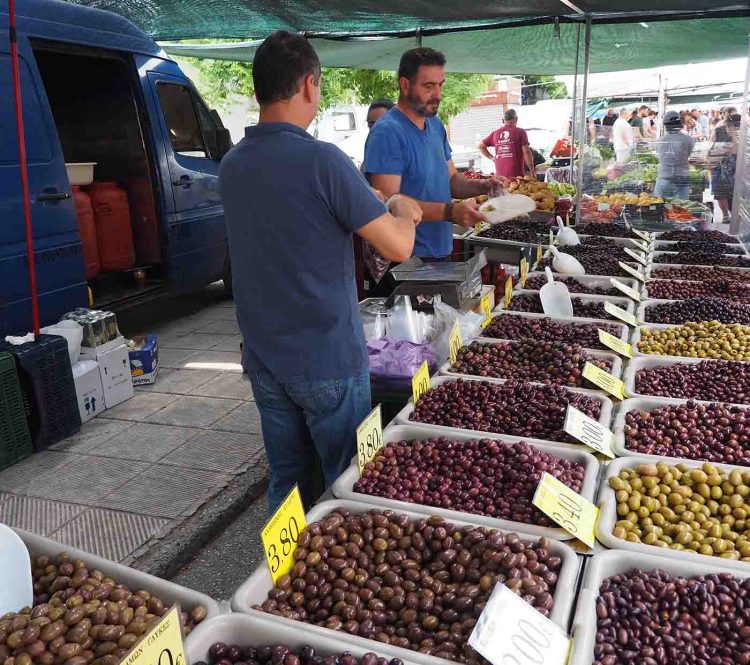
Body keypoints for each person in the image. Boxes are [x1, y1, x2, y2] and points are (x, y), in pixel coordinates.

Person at [219, 31, 422, 512]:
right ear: (310, 85)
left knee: (286, 479)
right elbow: (396, 246)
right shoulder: (323, 160)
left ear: (259, 89)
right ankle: (334, 579)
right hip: (326, 358)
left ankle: (280, 581)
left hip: (265, 360)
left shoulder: (231, 165)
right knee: (344, 481)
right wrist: (404, 208)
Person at [363, 47, 504, 260]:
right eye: (428, 86)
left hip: (440, 250)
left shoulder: (436, 125)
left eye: (440, 85)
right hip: (407, 260)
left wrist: (483, 185)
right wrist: (450, 212)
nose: (437, 94)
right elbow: (388, 203)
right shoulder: (387, 132)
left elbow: (452, 181)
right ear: (404, 85)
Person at [477, 109, 536, 180]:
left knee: (503, 190)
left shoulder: (495, 133)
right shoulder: (520, 132)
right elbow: (526, 151)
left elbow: (480, 146)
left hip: (500, 176)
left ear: (503, 120)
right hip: (516, 175)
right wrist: (532, 171)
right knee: (517, 190)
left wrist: (492, 158)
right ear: (516, 119)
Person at [653, 110, 695, 200]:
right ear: (680, 123)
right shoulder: (688, 139)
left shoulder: (660, 140)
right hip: (682, 177)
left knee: (661, 209)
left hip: (664, 177)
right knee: (682, 208)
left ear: (665, 125)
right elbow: (688, 155)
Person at [712, 112, 741, 219]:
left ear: (737, 127)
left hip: (739, 182)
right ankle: (728, 217)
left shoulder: (745, 140)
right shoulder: (726, 140)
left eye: (729, 126)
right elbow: (717, 153)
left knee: (738, 209)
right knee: (730, 204)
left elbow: (736, 151)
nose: (727, 128)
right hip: (727, 180)